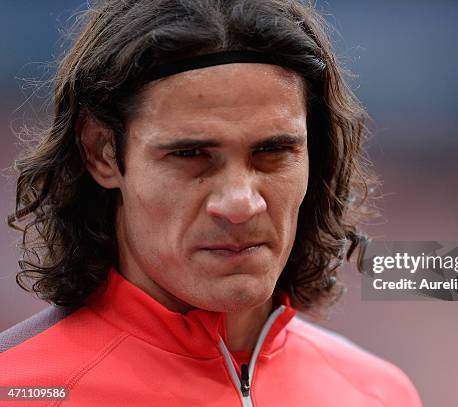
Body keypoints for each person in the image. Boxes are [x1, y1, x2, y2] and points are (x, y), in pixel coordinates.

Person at [0, 1, 422, 405]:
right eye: (190, 155)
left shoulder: (379, 393)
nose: (241, 204)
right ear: (101, 152)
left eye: (273, 151)